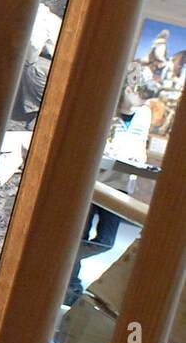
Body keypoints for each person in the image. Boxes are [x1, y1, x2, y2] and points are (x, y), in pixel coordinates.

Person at [64, 74, 152, 306]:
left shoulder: (145, 113)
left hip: (121, 185)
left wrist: (139, 157)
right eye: (141, 96)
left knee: (106, 241)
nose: (142, 103)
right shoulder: (107, 104)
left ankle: (63, 262)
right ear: (130, 89)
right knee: (78, 234)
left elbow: (142, 143)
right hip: (93, 180)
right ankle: (70, 282)